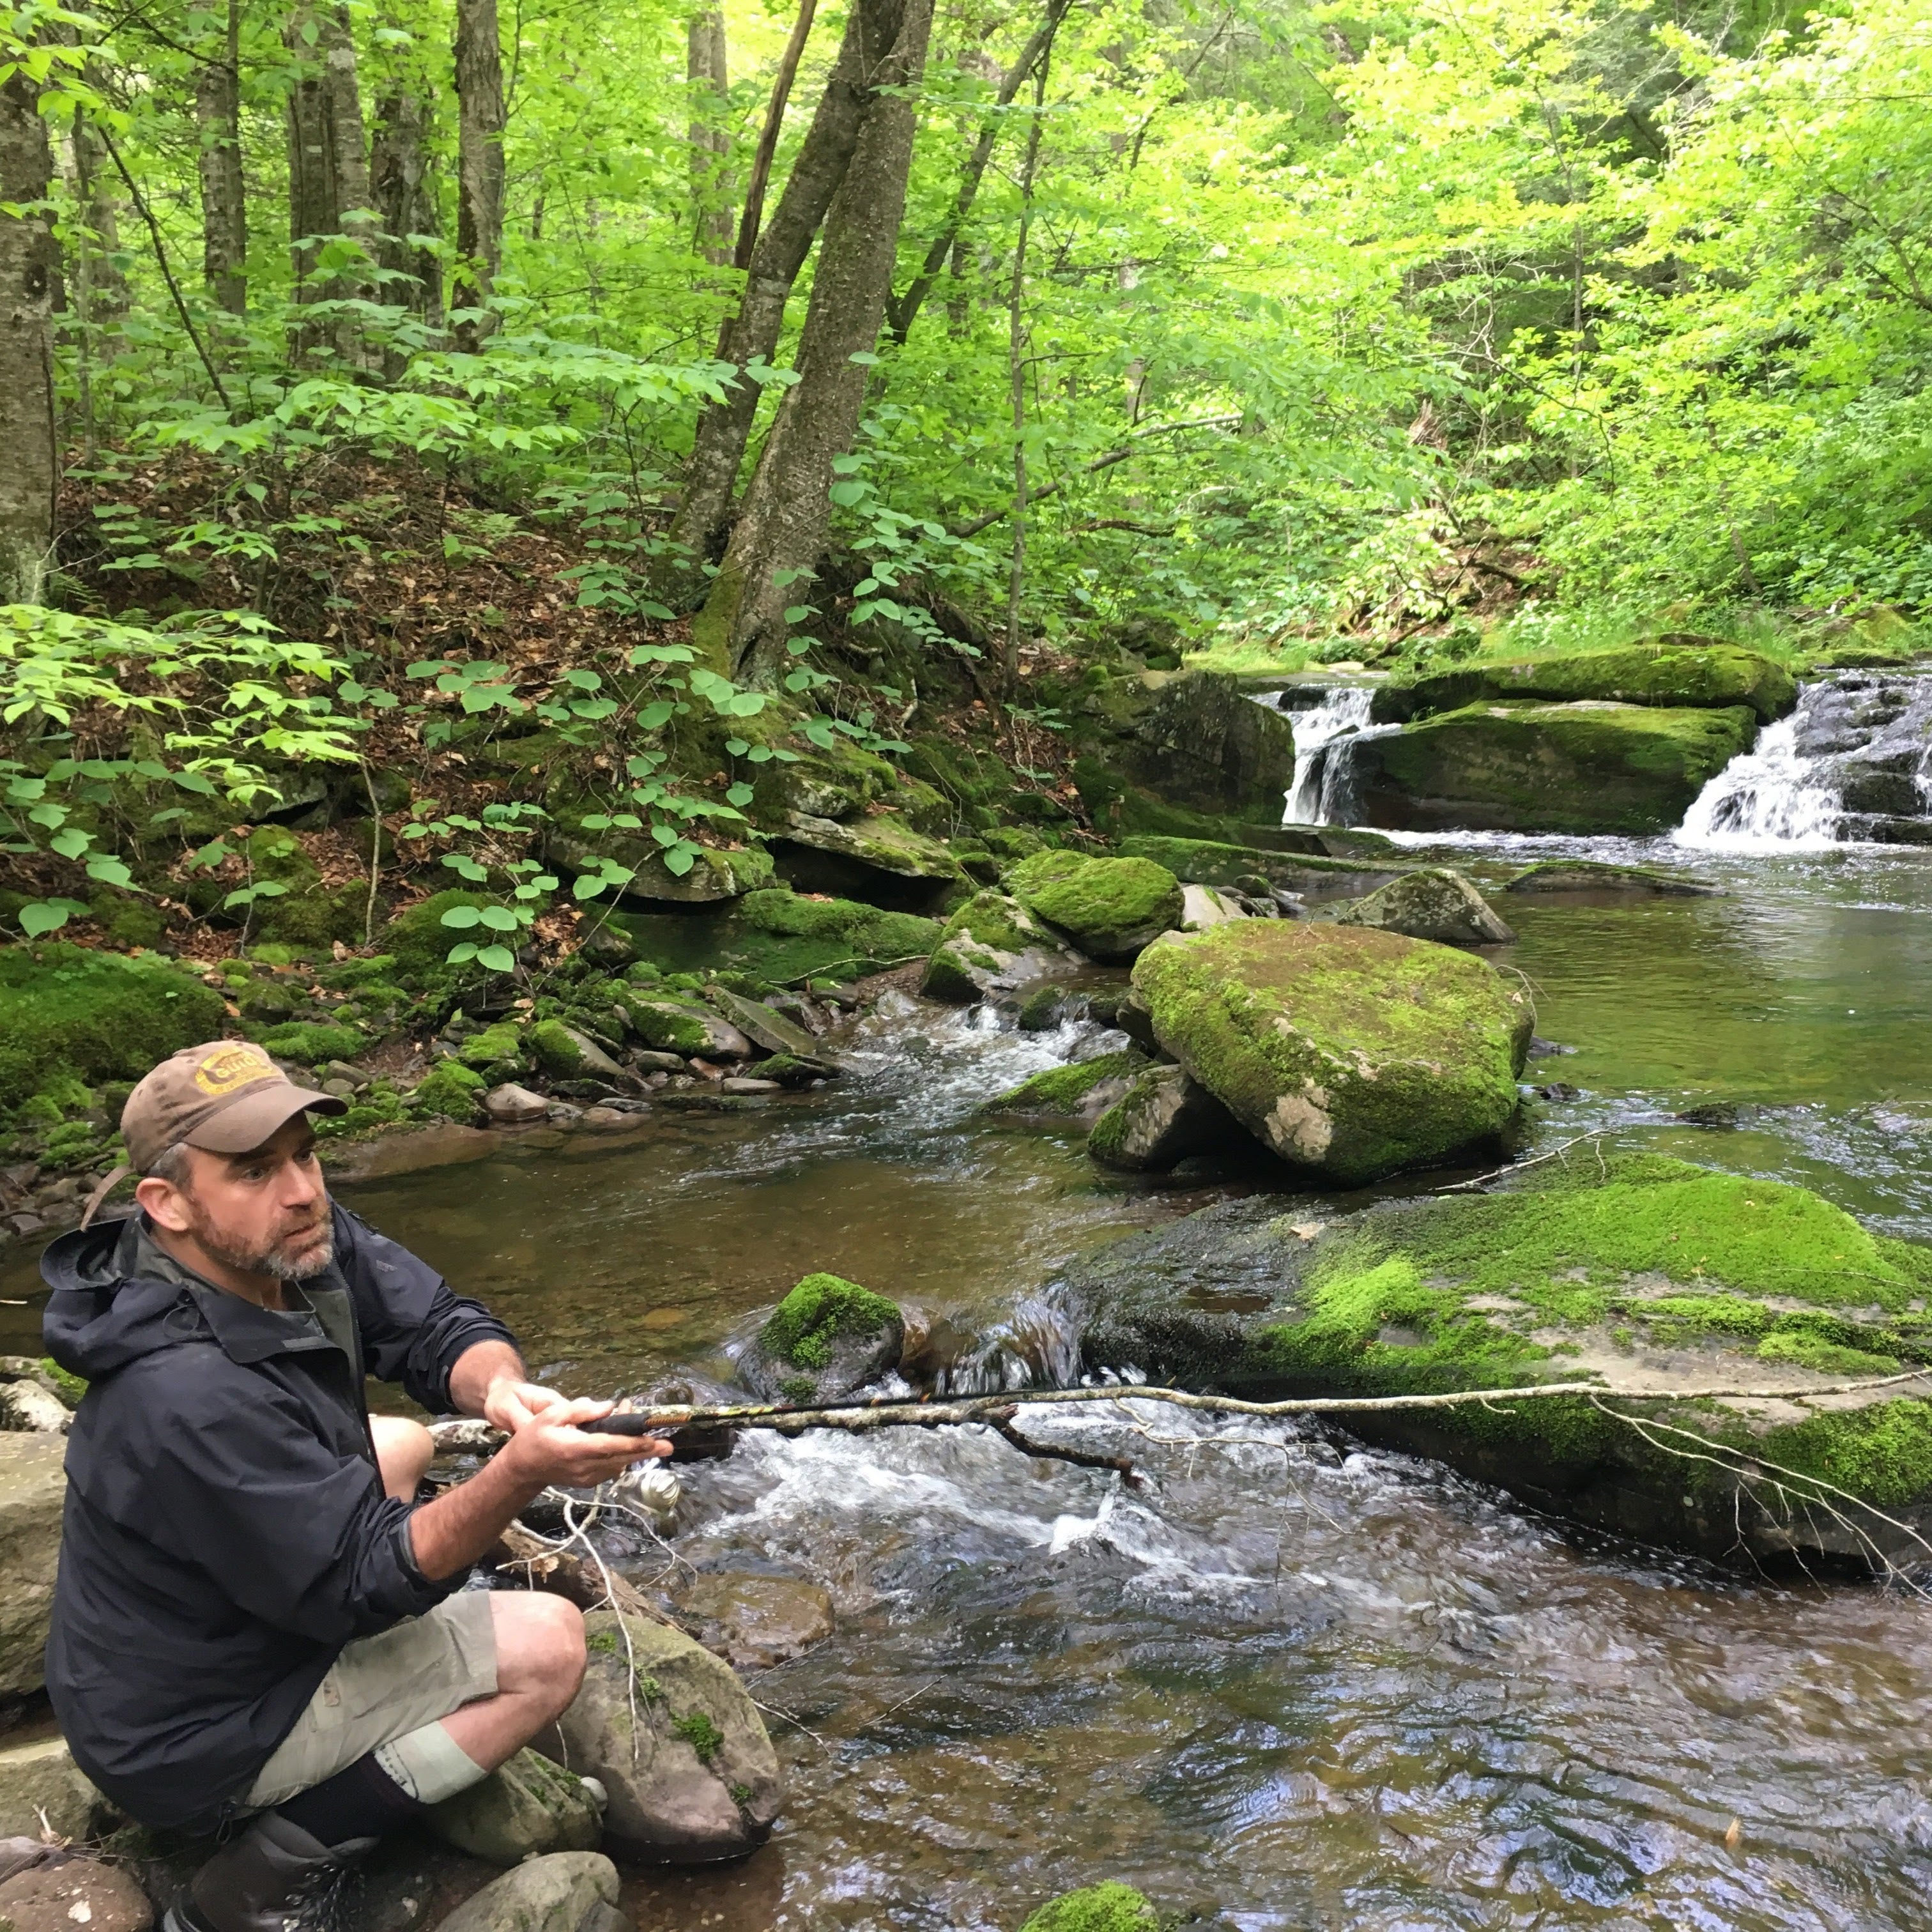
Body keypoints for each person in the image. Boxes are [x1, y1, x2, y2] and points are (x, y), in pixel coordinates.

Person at [38, 1040, 670, 1932]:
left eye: (304, 1154)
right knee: (550, 1645)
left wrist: (499, 1391)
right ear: (166, 1203)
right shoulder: (182, 1391)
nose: (301, 1189)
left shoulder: (278, 1240)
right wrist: (518, 1472)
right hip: (191, 1736)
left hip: (202, 1640)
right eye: (254, 1170)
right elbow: (365, 1583)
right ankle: (259, 1879)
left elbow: (435, 1322)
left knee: (403, 1441)